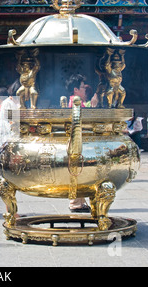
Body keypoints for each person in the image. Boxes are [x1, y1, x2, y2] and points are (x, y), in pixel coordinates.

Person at [65, 73, 93, 213]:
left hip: (78, 139)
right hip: (76, 140)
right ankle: (75, 202)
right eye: (82, 87)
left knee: (81, 170)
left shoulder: (76, 100)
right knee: (77, 170)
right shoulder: (75, 101)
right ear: (76, 89)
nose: (84, 90)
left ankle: (80, 201)